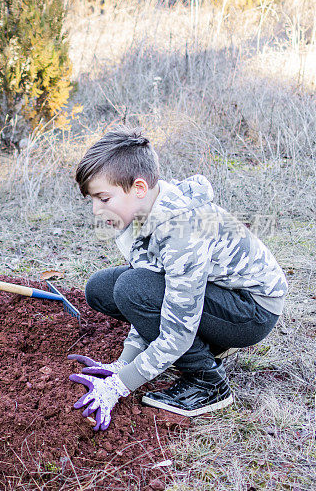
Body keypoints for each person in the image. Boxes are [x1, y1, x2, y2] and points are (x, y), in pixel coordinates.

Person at [67, 127, 287, 430]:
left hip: (252, 311)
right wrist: (124, 362)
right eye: (93, 199)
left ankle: (208, 383)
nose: (96, 209)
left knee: (132, 289)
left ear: (139, 187)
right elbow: (151, 288)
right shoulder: (140, 213)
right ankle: (209, 342)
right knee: (102, 289)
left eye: (103, 198)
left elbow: (174, 325)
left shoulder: (180, 231)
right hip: (217, 294)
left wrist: (121, 384)